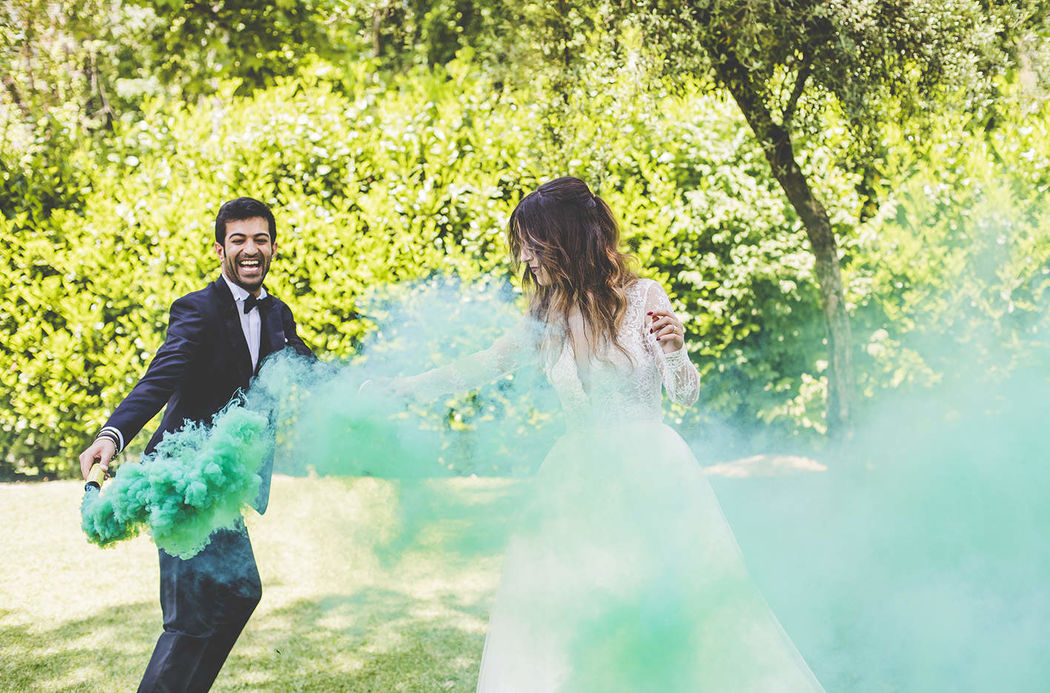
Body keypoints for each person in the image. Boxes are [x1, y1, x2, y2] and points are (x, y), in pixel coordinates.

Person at [396, 177, 824, 691]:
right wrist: (403, 389)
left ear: (567, 238)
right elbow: (484, 364)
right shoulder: (545, 313)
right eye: (524, 248)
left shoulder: (644, 296)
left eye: (534, 246)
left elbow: (685, 393)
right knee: (575, 611)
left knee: (666, 606)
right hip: (577, 482)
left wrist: (676, 348)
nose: (527, 259)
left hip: (651, 472)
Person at [78, 197, 314, 692]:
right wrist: (112, 434)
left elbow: (309, 371)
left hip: (224, 485)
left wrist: (368, 390)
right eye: (239, 239)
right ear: (220, 248)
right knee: (190, 618)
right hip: (181, 482)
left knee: (241, 592)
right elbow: (159, 379)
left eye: (260, 239)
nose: (251, 249)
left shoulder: (277, 314)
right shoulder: (197, 309)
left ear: (273, 246)